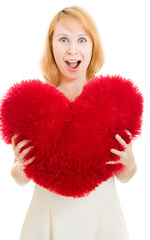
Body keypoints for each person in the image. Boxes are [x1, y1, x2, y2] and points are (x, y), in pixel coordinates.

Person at [11, 6, 137, 240]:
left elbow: (125, 175)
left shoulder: (110, 102)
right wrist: (20, 165)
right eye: (63, 39)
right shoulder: (36, 104)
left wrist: (129, 162)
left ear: (92, 47)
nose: (72, 49)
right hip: (47, 218)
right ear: (51, 46)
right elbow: (19, 178)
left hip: (102, 217)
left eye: (81, 39)